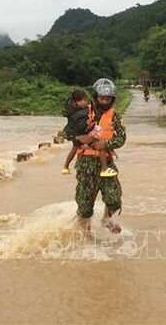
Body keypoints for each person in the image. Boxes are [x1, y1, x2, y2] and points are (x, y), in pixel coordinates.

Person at [73, 78, 126, 234]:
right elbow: (71, 133)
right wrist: (82, 139)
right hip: (86, 165)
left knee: (114, 198)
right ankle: (85, 235)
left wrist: (106, 144)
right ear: (95, 97)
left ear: (112, 99)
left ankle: (106, 219)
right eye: (102, 98)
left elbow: (121, 138)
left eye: (108, 98)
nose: (105, 101)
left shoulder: (115, 115)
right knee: (84, 205)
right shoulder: (83, 113)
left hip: (106, 164)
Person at [62, 90, 118, 177]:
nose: (84, 102)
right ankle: (104, 169)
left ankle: (65, 166)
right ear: (75, 102)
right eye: (82, 100)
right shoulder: (79, 113)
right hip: (81, 136)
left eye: (85, 100)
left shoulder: (72, 111)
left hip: (75, 136)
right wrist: (87, 123)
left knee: (73, 150)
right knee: (101, 145)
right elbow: (80, 126)